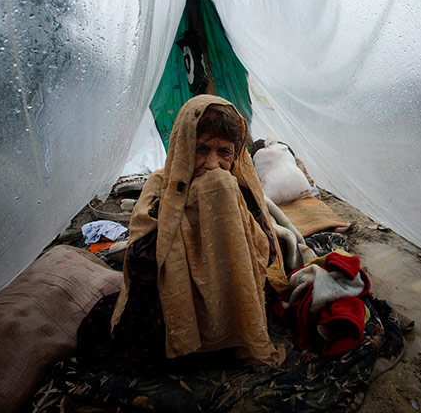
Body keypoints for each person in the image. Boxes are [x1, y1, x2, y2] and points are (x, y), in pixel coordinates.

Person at [76, 95, 288, 374]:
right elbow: (140, 264)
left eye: (224, 152)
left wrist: (227, 220)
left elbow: (268, 252)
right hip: (174, 314)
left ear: (235, 155)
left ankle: (230, 333)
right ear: (183, 147)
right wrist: (185, 219)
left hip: (235, 307)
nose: (213, 164)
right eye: (202, 149)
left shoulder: (240, 190)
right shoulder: (159, 187)